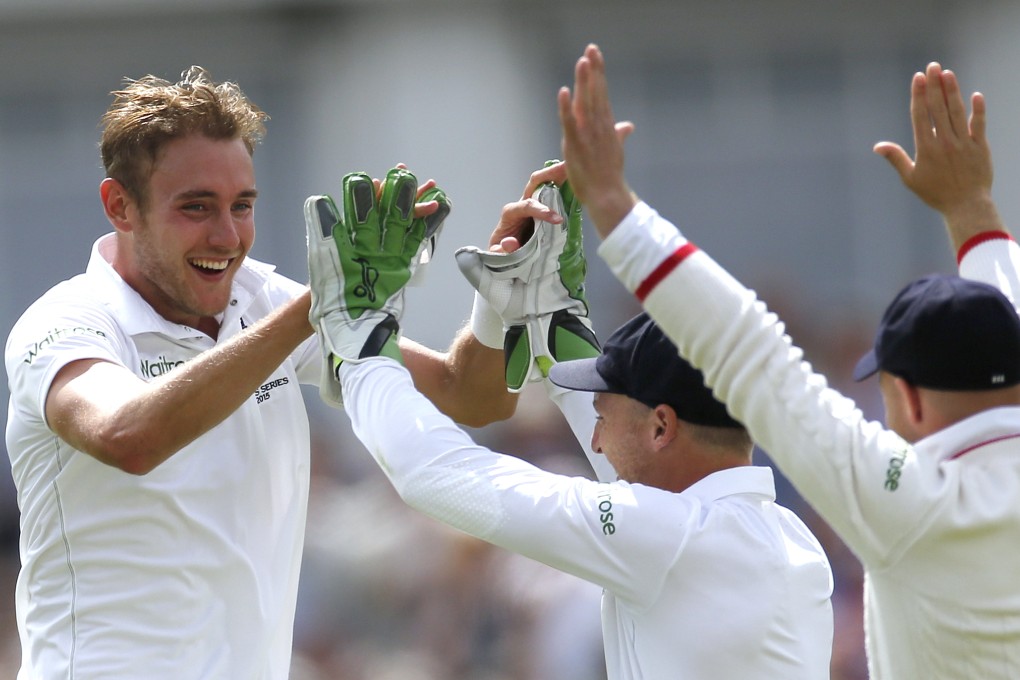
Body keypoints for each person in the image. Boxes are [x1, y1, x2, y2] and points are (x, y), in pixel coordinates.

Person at [3, 66, 514, 679]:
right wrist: (317, 305)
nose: (226, 236)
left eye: (241, 206)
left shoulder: (265, 301)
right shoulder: (63, 321)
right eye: (196, 207)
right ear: (121, 206)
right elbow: (126, 437)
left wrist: (500, 300)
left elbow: (469, 396)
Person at [557, 43, 1020, 678]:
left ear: (908, 397)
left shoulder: (910, 500)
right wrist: (974, 209)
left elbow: (758, 360)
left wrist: (617, 210)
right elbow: (1004, 330)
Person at [305, 160, 835, 679]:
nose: (595, 442)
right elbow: (653, 474)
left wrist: (362, 344)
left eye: (602, 416)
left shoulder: (671, 538)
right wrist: (544, 314)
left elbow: (435, 475)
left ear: (661, 427)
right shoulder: (782, 534)